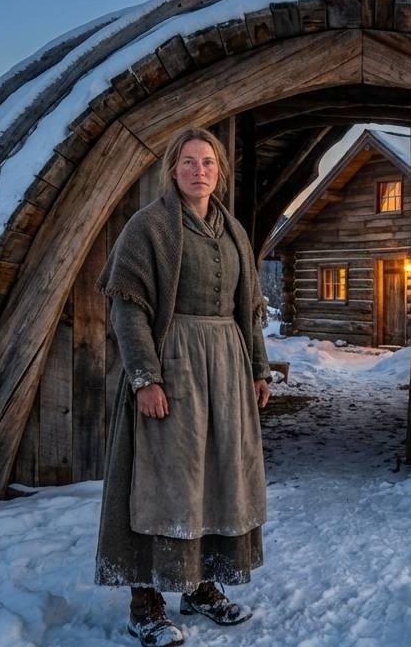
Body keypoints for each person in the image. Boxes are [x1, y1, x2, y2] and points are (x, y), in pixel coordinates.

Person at [94, 126, 271, 647]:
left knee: (216, 476)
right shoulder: (149, 227)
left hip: (227, 369)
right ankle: (144, 602)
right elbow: (128, 307)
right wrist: (145, 377)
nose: (200, 171)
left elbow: (250, 311)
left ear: (219, 172)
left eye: (209, 163)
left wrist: (258, 368)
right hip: (174, 367)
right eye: (190, 162)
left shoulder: (232, 231)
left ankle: (200, 585)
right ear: (173, 168)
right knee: (164, 480)